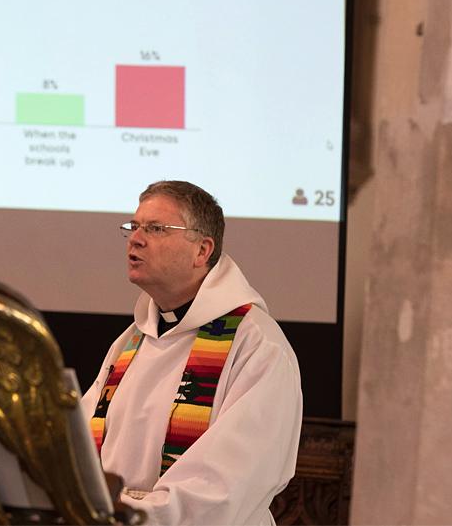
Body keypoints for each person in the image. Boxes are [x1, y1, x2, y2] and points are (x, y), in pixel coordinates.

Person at [81, 180, 302, 525]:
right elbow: (78, 442)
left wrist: (131, 516)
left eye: (155, 228)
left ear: (202, 250)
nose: (136, 239)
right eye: (134, 227)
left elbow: (227, 484)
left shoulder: (257, 345)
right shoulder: (131, 341)